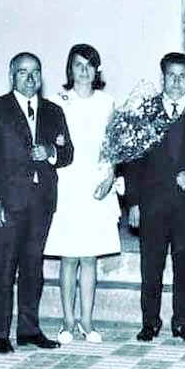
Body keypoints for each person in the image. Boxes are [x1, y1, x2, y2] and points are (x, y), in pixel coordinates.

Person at [0, 52, 73, 353]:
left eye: (35, 72)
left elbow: (68, 151)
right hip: (7, 202)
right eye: (22, 72)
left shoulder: (54, 111)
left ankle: (29, 329)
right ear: (11, 76)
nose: (30, 78)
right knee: (4, 268)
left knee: (34, 268)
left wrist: (51, 152)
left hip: (41, 201)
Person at [125, 52, 185, 343]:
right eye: (171, 76)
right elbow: (133, 160)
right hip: (152, 203)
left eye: (182, 76)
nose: (176, 82)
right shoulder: (145, 111)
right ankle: (150, 322)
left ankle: (182, 322)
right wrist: (134, 203)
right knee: (150, 265)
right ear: (162, 77)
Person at [44, 44, 121, 344]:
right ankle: (67, 321)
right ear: (69, 69)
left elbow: (113, 145)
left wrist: (111, 175)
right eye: (78, 65)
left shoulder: (107, 101)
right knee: (69, 257)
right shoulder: (57, 101)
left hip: (96, 183)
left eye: (89, 65)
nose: (84, 70)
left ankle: (87, 322)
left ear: (97, 70)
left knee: (89, 257)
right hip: (67, 182)